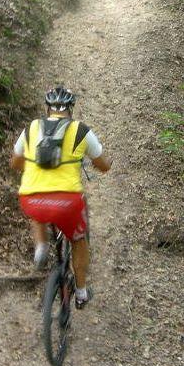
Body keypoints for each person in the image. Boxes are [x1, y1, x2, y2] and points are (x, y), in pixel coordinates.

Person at [10, 86, 111, 309]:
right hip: (67, 203)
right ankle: (82, 292)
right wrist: (106, 163)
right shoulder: (80, 130)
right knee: (78, 239)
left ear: (48, 109)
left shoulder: (31, 128)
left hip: (32, 200)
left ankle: (41, 248)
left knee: (37, 205)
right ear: (70, 110)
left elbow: (15, 163)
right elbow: (103, 166)